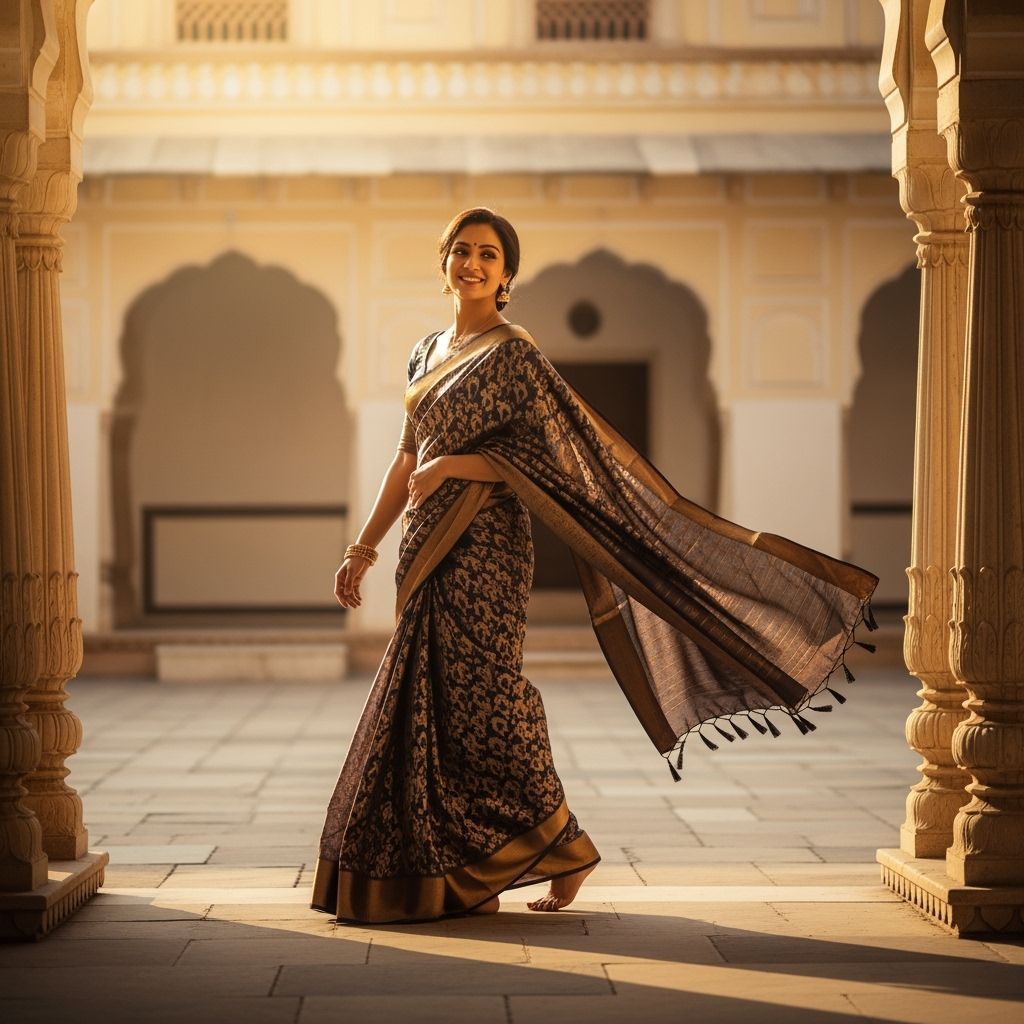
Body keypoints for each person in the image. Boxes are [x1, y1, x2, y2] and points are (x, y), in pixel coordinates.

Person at [311, 207, 878, 926]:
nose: (473, 264)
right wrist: (362, 546)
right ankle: (442, 869)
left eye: (489, 254)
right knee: (431, 707)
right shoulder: (424, 354)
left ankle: (565, 846)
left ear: (508, 275)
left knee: (485, 697)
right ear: (444, 263)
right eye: (462, 251)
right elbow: (403, 456)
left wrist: (453, 463)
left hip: (486, 550)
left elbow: (547, 464)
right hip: (423, 550)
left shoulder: (515, 355)